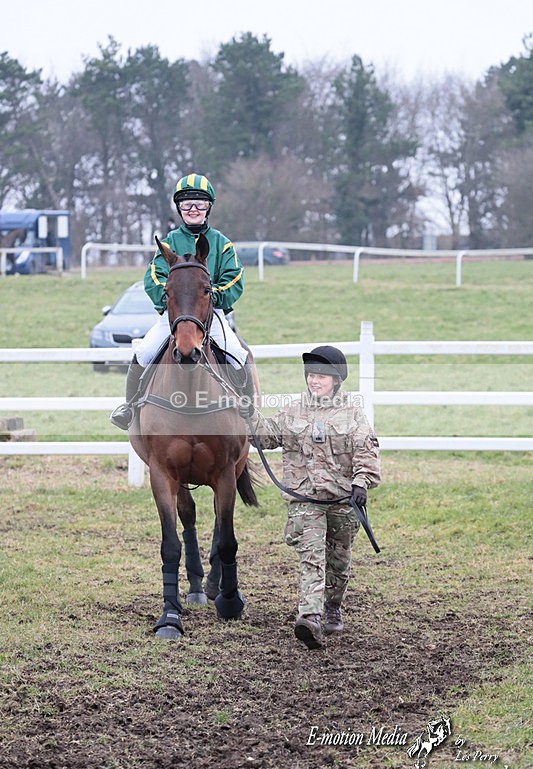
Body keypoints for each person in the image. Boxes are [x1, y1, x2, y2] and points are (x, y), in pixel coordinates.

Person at [244, 346, 381, 650]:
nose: (314, 381)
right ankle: (310, 617)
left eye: (321, 376)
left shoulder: (352, 413)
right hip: (305, 499)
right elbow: (266, 436)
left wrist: (361, 483)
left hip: (342, 500)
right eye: (311, 375)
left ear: (336, 380)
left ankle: (333, 605)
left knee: (339, 562)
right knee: (312, 556)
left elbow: (366, 450)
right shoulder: (294, 410)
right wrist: (248, 415)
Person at [111, 173, 252, 429]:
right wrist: (170, 301)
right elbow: (153, 277)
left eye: (200, 203)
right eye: (187, 204)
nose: (194, 209)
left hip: (210, 314)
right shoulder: (168, 243)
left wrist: (211, 297)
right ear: (179, 209)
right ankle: (129, 408)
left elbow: (235, 279)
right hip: (175, 315)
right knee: (143, 352)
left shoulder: (223, 244)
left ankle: (248, 410)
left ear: (209, 207)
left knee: (238, 354)